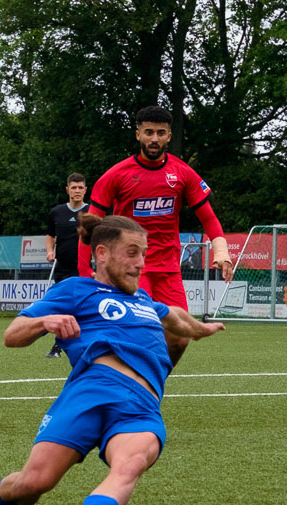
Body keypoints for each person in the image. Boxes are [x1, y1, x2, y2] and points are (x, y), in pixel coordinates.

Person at [0, 213, 224, 505]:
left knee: (130, 464)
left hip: (139, 408)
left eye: (143, 254)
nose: (140, 264)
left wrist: (201, 330)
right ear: (101, 253)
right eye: (132, 253)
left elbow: (175, 317)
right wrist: (47, 321)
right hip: (89, 393)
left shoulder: (146, 302)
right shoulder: (76, 289)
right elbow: (11, 335)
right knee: (33, 485)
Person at [77, 105, 233, 359]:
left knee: (180, 337)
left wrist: (222, 252)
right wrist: (86, 274)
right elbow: (88, 229)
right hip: (130, 269)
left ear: (169, 136)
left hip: (169, 269)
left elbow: (208, 217)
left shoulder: (183, 173)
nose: (154, 139)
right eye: (148, 132)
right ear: (138, 135)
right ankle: (129, 386)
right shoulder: (116, 175)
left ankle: (149, 385)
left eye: (161, 133)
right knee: (141, 334)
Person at [44, 172, 89, 358]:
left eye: (80, 188)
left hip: (85, 267)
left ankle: (86, 344)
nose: (77, 191)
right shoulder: (57, 212)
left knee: (83, 307)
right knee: (64, 307)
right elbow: (50, 235)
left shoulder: (93, 211)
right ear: (67, 189)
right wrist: (49, 250)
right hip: (62, 268)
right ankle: (58, 345)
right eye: (74, 187)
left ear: (85, 190)